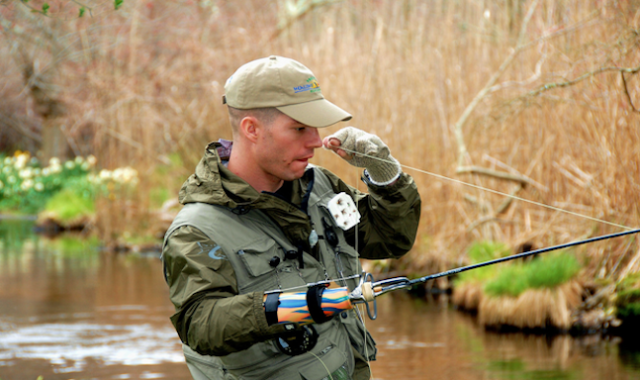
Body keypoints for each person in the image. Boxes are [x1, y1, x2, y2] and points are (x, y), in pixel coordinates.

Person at [161, 55, 421, 380]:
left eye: (314, 127)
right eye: (298, 128)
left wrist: (384, 172)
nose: (315, 141)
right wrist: (300, 305)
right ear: (251, 129)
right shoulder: (196, 230)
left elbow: (389, 238)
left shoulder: (321, 185)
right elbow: (201, 324)